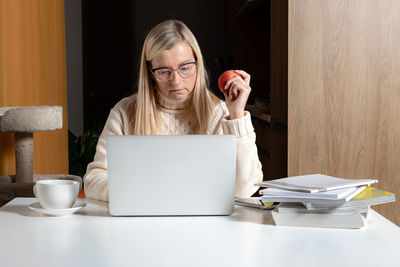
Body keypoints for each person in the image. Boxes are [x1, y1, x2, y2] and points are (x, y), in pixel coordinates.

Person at [84, 19, 263, 202]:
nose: (176, 81)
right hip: (142, 222)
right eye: (163, 71)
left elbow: (244, 188)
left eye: (185, 68)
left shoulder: (220, 113)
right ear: (150, 73)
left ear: (198, 64)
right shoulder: (125, 112)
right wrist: (143, 193)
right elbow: (93, 181)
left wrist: (236, 115)